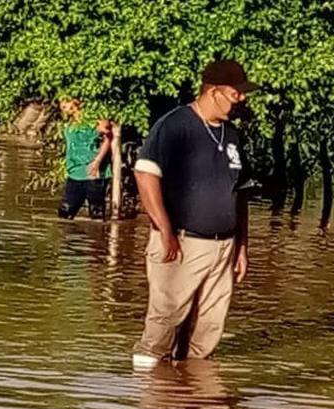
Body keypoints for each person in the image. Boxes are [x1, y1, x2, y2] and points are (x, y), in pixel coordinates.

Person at [132, 59, 258, 368]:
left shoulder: (232, 135)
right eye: (235, 93)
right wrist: (165, 230)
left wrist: (242, 244)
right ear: (214, 91)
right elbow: (146, 175)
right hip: (183, 242)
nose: (241, 99)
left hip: (223, 247)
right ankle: (149, 403)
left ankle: (189, 401)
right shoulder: (176, 126)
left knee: (208, 329)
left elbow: (238, 191)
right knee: (163, 325)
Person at [57, 98, 112, 220]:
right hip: (74, 170)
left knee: (96, 212)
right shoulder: (69, 124)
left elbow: (108, 137)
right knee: (65, 212)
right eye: (63, 107)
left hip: (93, 171)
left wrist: (97, 160)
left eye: (66, 105)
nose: (64, 109)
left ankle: (97, 237)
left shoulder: (94, 121)